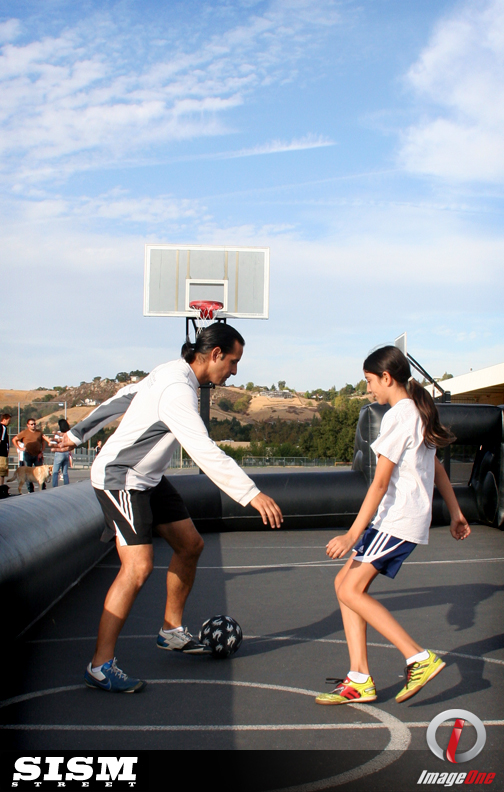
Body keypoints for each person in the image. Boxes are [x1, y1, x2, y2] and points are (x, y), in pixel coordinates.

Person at [55, 324, 283, 693]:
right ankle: (100, 665)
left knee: (190, 545)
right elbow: (204, 450)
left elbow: (124, 396)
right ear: (215, 355)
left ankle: (172, 631)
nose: (235, 371)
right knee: (138, 566)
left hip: (148, 477)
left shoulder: (173, 373)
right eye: (234, 361)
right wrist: (251, 494)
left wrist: (76, 434)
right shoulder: (177, 389)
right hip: (121, 478)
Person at [315, 346, 470, 707]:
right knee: (343, 584)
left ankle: (418, 657)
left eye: (370, 382)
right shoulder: (418, 411)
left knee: (351, 590)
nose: (368, 390)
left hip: (397, 519)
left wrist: (352, 534)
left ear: (387, 378)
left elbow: (380, 483)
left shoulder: (400, 416)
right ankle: (359, 679)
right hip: (398, 518)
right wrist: (456, 511)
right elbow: (438, 469)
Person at [12, 419, 53, 493]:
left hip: (37, 455)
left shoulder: (39, 432)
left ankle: (43, 489)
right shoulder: (24, 432)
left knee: (41, 473)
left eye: (34, 424)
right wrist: (19, 448)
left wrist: (41, 451)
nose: (33, 425)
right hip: (28, 455)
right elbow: (14, 439)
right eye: (31, 424)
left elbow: (43, 443)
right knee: (28, 473)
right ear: (28, 425)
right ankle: (30, 490)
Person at [52, 418, 71, 487]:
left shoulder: (59, 434)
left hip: (59, 453)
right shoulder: (68, 433)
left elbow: (54, 442)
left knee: (55, 471)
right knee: (65, 472)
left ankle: (54, 486)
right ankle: (67, 485)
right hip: (66, 452)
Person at [0, 413, 12, 495]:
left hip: (3, 453)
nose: (9, 421)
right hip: (1, 453)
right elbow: (1, 440)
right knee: (2, 471)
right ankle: (1, 487)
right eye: (9, 420)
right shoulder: (3, 428)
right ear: (5, 419)